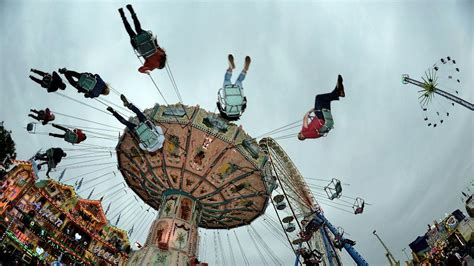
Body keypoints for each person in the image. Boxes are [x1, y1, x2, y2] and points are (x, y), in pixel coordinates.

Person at [118, 4, 167, 73]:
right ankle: (122, 16)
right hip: (139, 46)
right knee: (130, 32)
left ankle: (132, 12)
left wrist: (154, 40)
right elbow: (140, 69)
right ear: (159, 67)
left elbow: (156, 45)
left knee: (138, 28)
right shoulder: (151, 67)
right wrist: (145, 71)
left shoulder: (162, 55)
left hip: (147, 40)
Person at [298, 75, 345, 140]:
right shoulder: (304, 132)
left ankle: (338, 91)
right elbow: (305, 118)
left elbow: (319, 131)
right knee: (318, 98)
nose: (300, 132)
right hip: (320, 118)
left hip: (326, 119)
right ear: (301, 136)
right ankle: (338, 92)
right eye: (299, 133)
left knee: (326, 100)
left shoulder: (314, 136)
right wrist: (311, 111)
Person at [217, 54, 251, 121]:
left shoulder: (239, 111)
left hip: (238, 93)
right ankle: (230, 68)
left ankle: (245, 70)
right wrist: (218, 102)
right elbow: (219, 105)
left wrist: (244, 99)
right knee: (227, 80)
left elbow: (244, 104)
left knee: (239, 80)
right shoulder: (225, 114)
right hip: (228, 94)